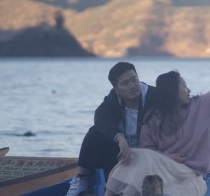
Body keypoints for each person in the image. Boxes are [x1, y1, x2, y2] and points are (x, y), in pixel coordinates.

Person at [104, 56, 210, 196]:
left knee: (170, 189)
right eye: (183, 85)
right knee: (137, 155)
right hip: (163, 169)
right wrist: (169, 157)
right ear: (172, 91)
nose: (188, 89)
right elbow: (147, 149)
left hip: (189, 174)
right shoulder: (154, 117)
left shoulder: (200, 107)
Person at [66, 62, 157, 196]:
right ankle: (81, 178)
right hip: (122, 155)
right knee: (95, 132)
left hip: (149, 153)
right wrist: (120, 138)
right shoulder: (112, 100)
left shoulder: (153, 96)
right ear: (116, 89)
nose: (133, 86)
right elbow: (100, 117)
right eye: (125, 83)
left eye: (134, 79)